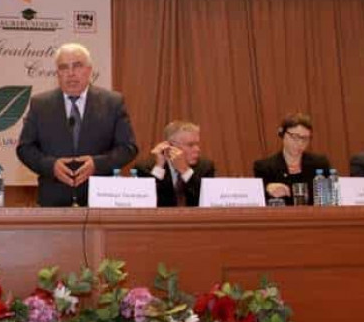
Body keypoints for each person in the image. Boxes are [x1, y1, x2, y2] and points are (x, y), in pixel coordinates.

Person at [16, 43, 138, 206]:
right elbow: (25, 148)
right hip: (54, 201)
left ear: (89, 70)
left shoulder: (112, 103)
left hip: (99, 199)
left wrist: (97, 164)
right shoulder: (40, 104)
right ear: (57, 73)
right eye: (64, 67)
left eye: (77, 66)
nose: (71, 73)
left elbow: (128, 148)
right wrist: (51, 166)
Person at [253, 113, 331, 206]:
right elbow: (259, 199)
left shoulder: (319, 163)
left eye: (305, 139)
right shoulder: (265, 167)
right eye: (295, 137)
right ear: (282, 134)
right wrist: (268, 189)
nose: (300, 143)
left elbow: (330, 198)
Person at [134, 121, 215, 207]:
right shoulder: (145, 168)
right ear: (171, 147)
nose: (197, 149)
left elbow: (208, 199)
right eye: (190, 145)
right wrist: (159, 167)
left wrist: (185, 171)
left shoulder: (205, 167)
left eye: (197, 144)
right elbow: (144, 201)